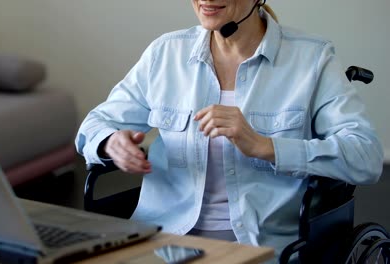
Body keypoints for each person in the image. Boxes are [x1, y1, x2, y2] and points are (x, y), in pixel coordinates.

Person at [76, 0, 383, 260]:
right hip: (161, 239)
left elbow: (365, 156)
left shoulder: (311, 60)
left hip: (257, 245)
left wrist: (265, 145)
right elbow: (95, 124)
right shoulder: (166, 53)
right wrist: (110, 142)